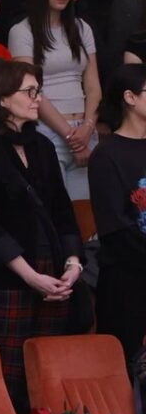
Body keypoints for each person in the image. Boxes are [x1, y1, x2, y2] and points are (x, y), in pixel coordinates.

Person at [0, 59, 86, 412]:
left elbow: (63, 210)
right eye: (30, 91)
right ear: (2, 98)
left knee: (50, 380)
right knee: (9, 381)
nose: (38, 99)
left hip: (53, 272)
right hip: (5, 279)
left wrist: (73, 264)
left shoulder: (41, 146)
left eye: (38, 91)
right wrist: (30, 276)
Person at [9, 0, 100, 200]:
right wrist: (70, 135)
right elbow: (31, 90)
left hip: (85, 130)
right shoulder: (21, 32)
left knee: (86, 213)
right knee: (56, 210)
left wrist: (87, 128)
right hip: (47, 131)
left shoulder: (82, 28)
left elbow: (93, 86)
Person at [88, 64, 146, 380]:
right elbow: (115, 228)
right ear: (130, 98)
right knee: (125, 375)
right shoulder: (106, 155)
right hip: (127, 283)